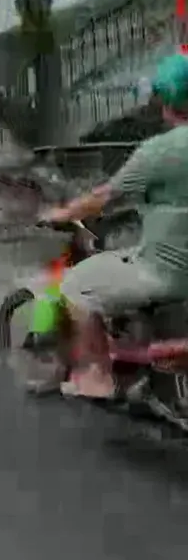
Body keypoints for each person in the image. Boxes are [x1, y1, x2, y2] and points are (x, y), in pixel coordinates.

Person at [40, 53, 188, 398]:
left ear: (165, 101)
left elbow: (104, 197)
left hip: (169, 272)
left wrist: (61, 213)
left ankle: (97, 378)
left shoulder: (158, 152)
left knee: (75, 285)